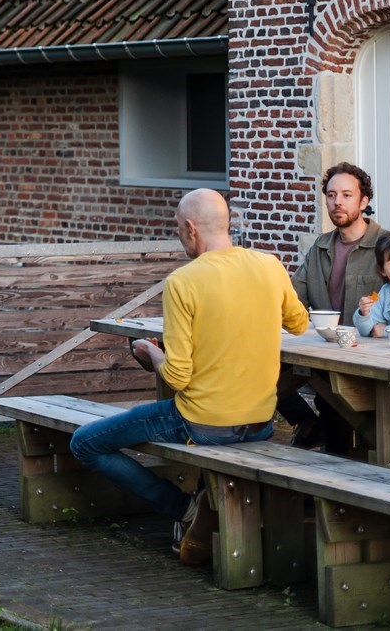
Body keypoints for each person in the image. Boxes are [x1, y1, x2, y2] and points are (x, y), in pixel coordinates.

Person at [70, 189, 308, 565]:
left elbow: (178, 377)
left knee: (85, 443)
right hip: (260, 421)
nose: (180, 236)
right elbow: (299, 322)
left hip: (204, 422)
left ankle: (183, 507)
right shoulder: (269, 265)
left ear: (192, 228)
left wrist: (150, 352)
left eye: (179, 228)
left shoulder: (183, 281)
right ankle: (200, 507)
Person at [278, 163, 383, 451]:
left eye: (347, 195)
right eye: (331, 194)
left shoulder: (387, 246)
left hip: (370, 361)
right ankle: (307, 422)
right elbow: (292, 299)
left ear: (364, 201)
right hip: (322, 356)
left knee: (338, 416)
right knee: (254, 368)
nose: (337, 202)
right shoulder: (319, 247)